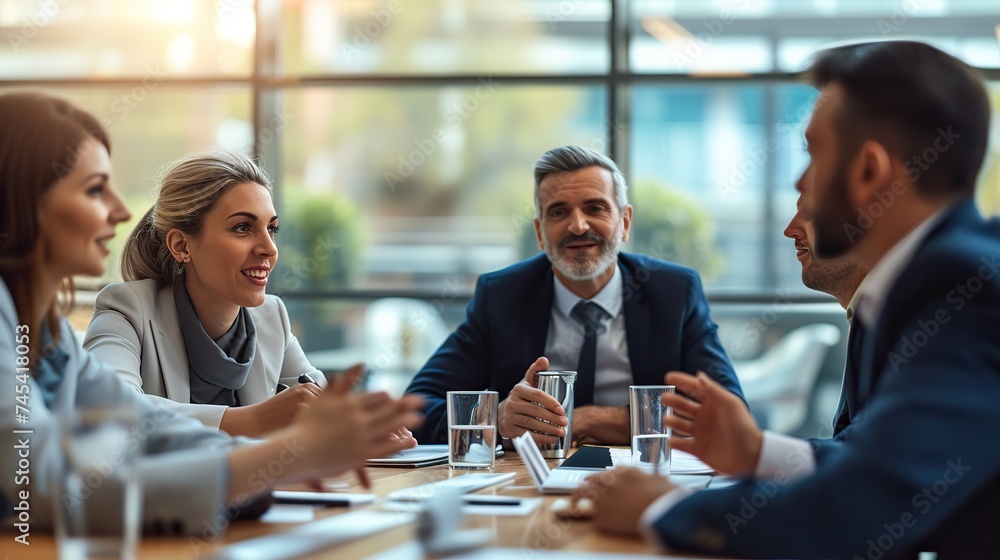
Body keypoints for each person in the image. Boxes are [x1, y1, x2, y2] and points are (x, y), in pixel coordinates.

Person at [577, 41, 1000, 558]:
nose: (800, 183)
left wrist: (659, 509)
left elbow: (859, 509)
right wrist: (756, 451)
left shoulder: (961, 286)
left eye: (814, 154)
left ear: (870, 172)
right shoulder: (929, 278)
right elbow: (876, 460)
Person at [0, 92, 423, 533]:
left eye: (271, 228)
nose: (122, 210)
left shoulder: (48, 332)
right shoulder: (109, 308)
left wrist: (298, 448)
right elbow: (43, 486)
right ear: (22, 200)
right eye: (94, 189)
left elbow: (142, 425)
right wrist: (279, 452)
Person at [405, 145, 744, 445]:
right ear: (540, 233)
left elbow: (731, 416)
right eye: (558, 212)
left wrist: (593, 419)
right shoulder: (501, 296)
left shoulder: (674, 293)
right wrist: (495, 418)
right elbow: (417, 407)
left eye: (595, 208)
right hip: (528, 485)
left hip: (640, 480)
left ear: (624, 223)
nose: (578, 226)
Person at [81, 150, 410, 442]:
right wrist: (248, 421)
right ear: (182, 246)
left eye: (272, 228)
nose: (269, 248)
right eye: (242, 228)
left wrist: (360, 426)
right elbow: (103, 406)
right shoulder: (127, 308)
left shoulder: (271, 316)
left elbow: (315, 407)